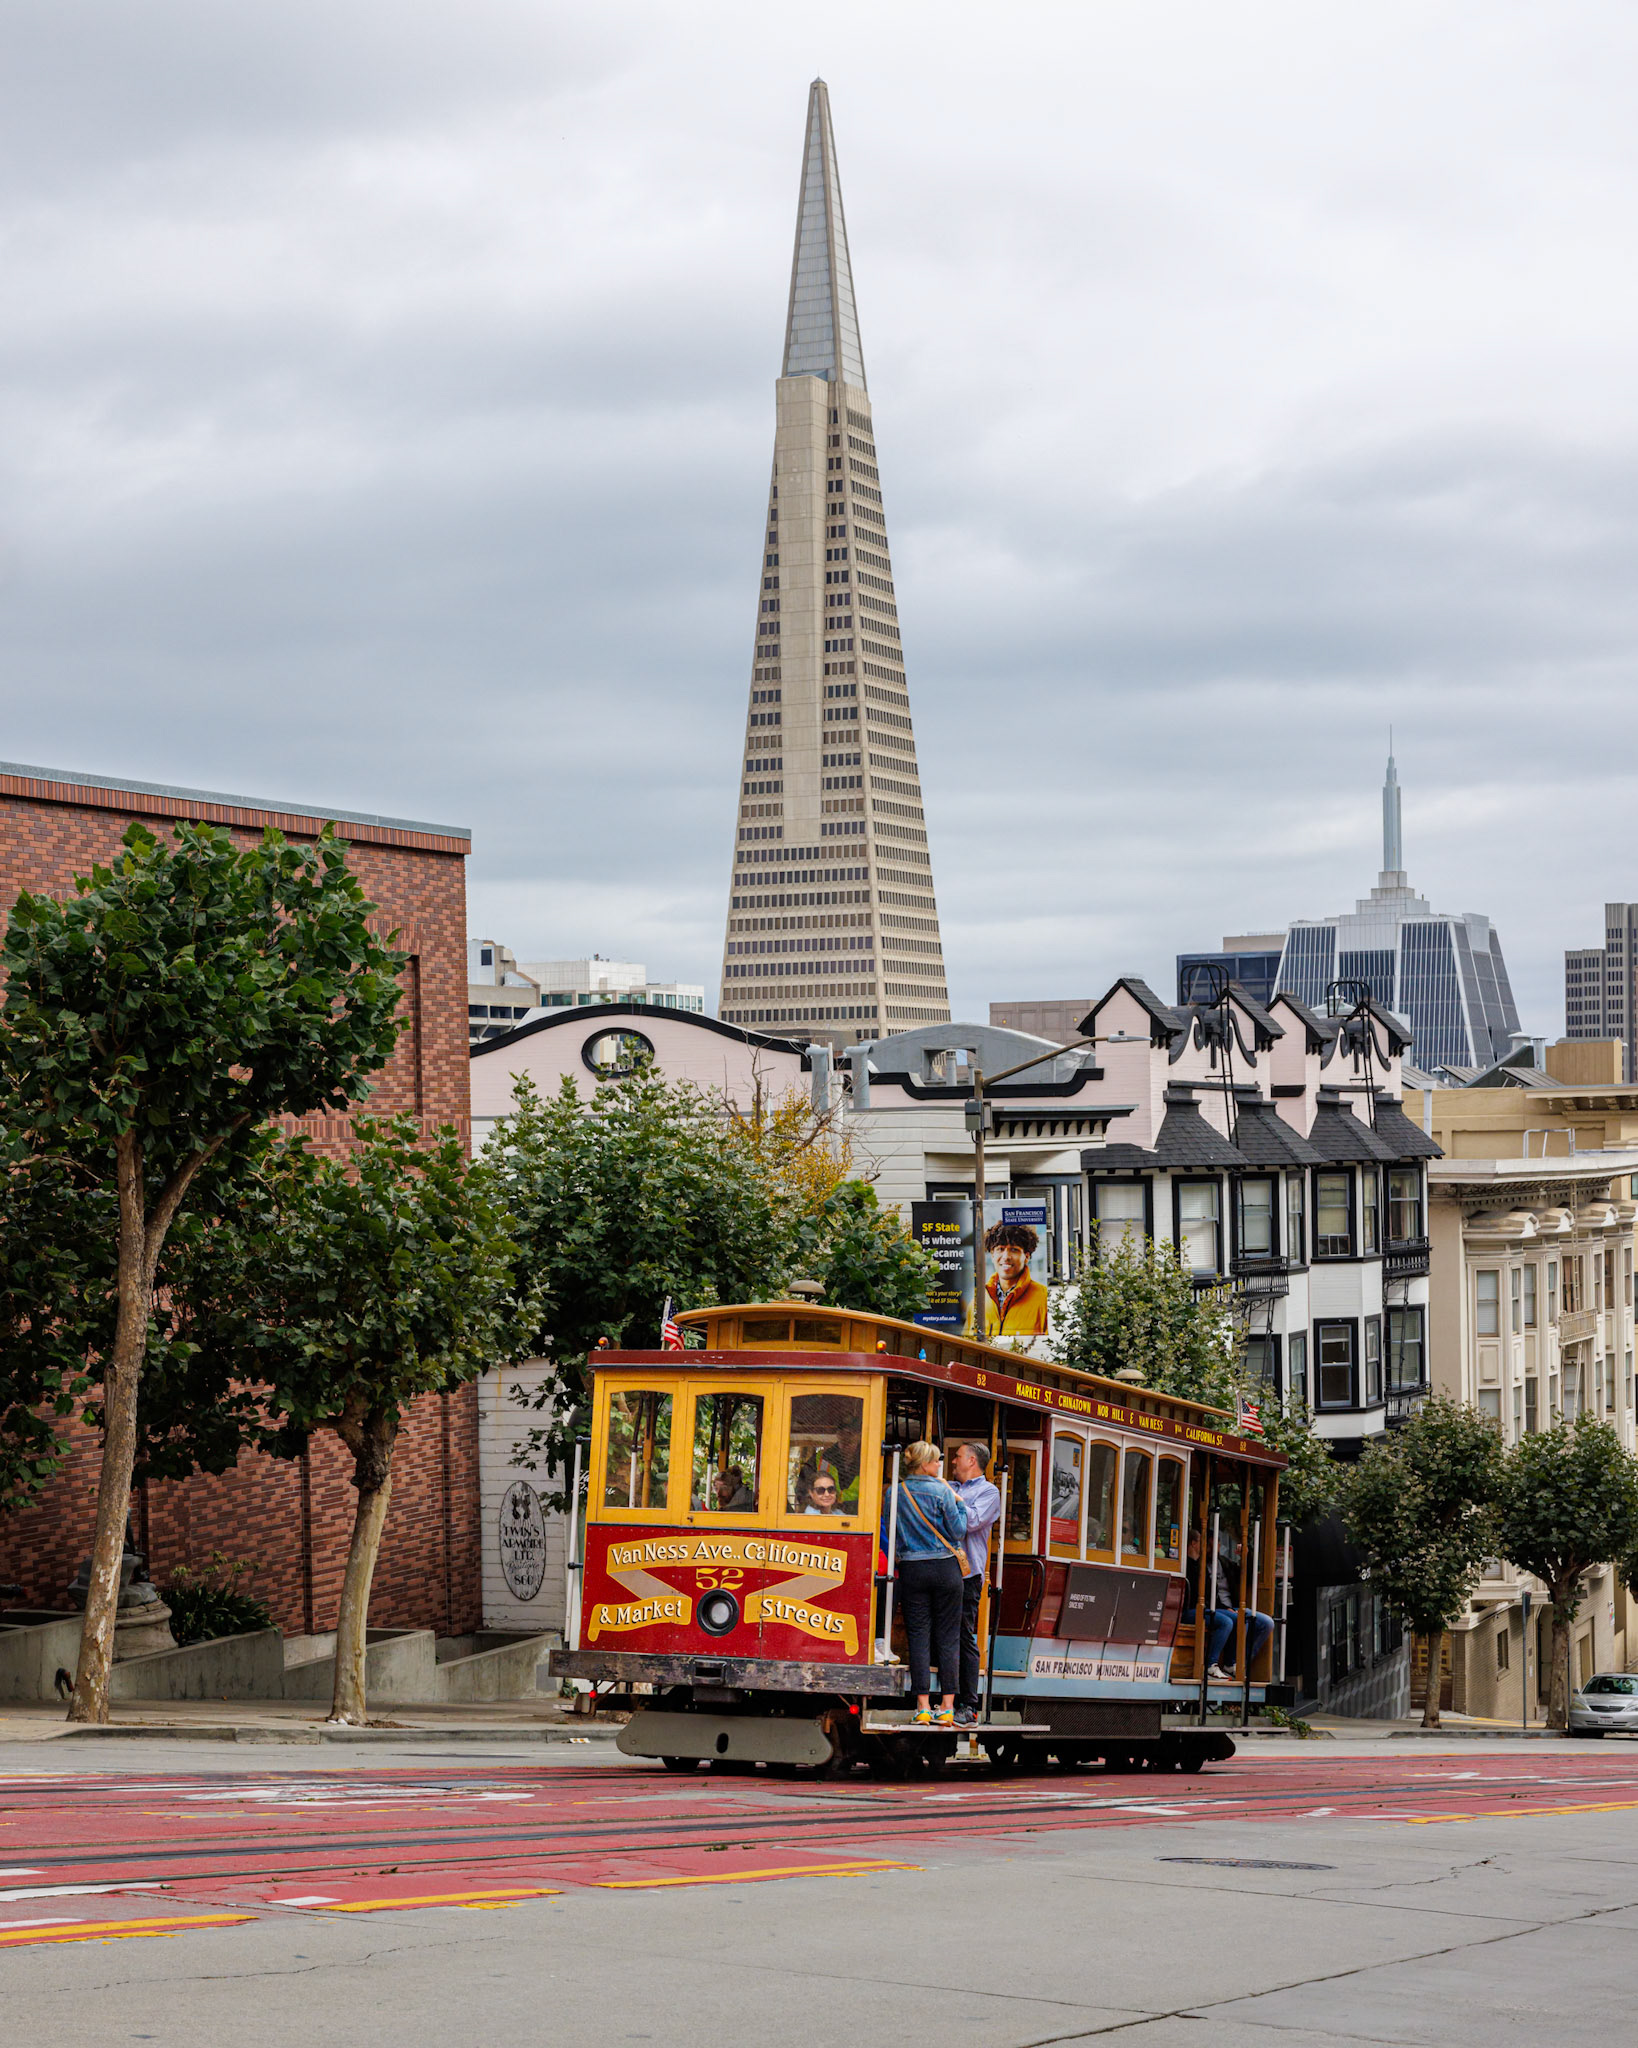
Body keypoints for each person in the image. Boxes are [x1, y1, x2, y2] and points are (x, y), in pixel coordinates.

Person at [880, 1440, 968, 1725]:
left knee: (918, 1636)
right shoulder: (943, 1490)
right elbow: (958, 1530)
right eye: (936, 1460)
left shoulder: (894, 1492)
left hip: (912, 1569)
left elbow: (890, 1532)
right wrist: (960, 1503)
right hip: (945, 1568)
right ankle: (947, 1707)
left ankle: (922, 1706)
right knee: (948, 1636)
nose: (940, 1465)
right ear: (925, 1464)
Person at [947, 1441, 1002, 1725]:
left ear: (971, 1460)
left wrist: (950, 1501)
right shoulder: (949, 1486)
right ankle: (945, 1698)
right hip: (942, 1570)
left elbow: (971, 1522)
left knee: (964, 1635)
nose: (952, 1461)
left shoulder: (989, 1492)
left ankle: (968, 1704)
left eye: (957, 1457)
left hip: (968, 1574)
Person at [1183, 1528, 1236, 1679]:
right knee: (1225, 1623)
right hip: (1190, 1611)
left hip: (1204, 1609)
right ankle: (1211, 1664)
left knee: (1236, 1619)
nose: (1205, 1546)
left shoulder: (1200, 1565)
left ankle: (1230, 1663)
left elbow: (1210, 1594)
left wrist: (1225, 1608)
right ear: (1193, 1543)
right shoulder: (1186, 1566)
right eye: (1201, 1542)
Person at [980, 1223, 1050, 1336]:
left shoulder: (1044, 1299)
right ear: (992, 1255)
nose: (1006, 1256)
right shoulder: (978, 1300)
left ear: (1026, 1257)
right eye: (1000, 1249)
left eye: (1014, 1250)